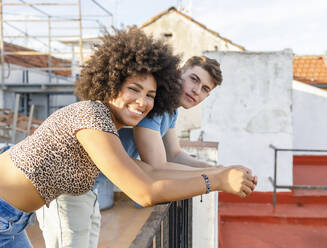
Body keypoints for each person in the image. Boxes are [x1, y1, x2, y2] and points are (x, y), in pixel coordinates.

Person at [0, 27, 256, 248]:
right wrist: (218, 179)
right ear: (110, 82)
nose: (142, 102)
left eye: (150, 95)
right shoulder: (92, 118)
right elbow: (144, 190)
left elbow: (152, 170)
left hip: (15, 221)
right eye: (133, 89)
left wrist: (220, 172)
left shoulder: (111, 129)